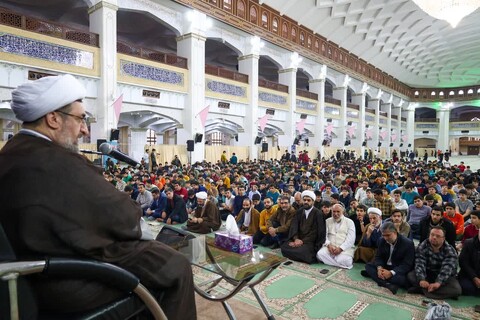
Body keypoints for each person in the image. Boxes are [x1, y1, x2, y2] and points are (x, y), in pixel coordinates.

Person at [0, 74, 195, 319]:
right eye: (81, 118)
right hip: (62, 282)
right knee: (175, 266)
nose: (84, 129)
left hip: (24, 280)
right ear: (53, 119)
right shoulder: (55, 160)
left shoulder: (10, 154)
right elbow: (123, 217)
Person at [407, 227, 461, 300]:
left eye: (438, 236)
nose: (434, 237)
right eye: (432, 235)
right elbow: (420, 264)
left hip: (444, 276)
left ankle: (421, 290)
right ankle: (434, 292)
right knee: (410, 276)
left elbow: (446, 270)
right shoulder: (422, 246)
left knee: (457, 290)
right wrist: (422, 279)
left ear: (443, 238)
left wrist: (438, 283)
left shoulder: (450, 251)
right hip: (428, 273)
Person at [362, 222, 415, 294]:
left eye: (388, 235)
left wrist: (391, 273)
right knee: (368, 266)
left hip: (397, 269)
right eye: (383, 235)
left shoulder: (408, 244)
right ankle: (387, 284)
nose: (385, 238)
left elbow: (407, 265)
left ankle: (377, 277)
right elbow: (378, 257)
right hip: (385, 267)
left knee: (401, 279)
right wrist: (379, 268)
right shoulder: (381, 240)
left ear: (395, 232)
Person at [281, 190, 326, 264]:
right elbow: (294, 226)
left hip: (310, 241)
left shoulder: (318, 213)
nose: (306, 202)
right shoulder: (299, 211)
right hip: (298, 239)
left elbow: (316, 232)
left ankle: (300, 255)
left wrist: (302, 241)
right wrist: (296, 239)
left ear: (313, 202)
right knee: (284, 247)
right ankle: (299, 255)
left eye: (308, 200)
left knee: (304, 251)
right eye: (304, 200)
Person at [317, 203, 356, 269]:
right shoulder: (327, 221)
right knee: (319, 254)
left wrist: (341, 248)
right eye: (334, 211)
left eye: (338, 211)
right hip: (330, 247)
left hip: (344, 249)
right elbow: (324, 236)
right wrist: (329, 245)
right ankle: (338, 264)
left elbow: (351, 239)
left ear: (342, 212)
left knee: (346, 260)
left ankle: (331, 261)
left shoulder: (350, 222)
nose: (335, 213)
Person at [458, 228, 480, 296]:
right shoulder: (469, 243)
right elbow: (463, 262)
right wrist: (474, 277)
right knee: (467, 288)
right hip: (468, 276)